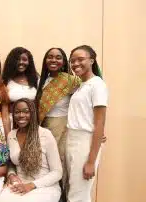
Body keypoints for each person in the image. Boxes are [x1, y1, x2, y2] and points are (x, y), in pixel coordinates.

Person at [0, 98, 62, 202]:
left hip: (44, 186)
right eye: (17, 112)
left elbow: (57, 172)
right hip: (19, 184)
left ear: (33, 113)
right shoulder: (11, 135)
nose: (21, 115)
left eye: (26, 111)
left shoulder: (45, 134)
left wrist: (31, 185)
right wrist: (11, 174)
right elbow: (11, 163)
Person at [35, 48, 80, 195]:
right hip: (43, 127)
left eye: (58, 57)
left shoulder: (70, 80)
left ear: (64, 61)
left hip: (62, 127)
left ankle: (63, 195)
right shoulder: (40, 80)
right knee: (44, 163)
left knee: (60, 162)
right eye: (50, 57)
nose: (53, 60)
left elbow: (84, 105)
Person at [66, 45, 108, 202]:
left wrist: (91, 161)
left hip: (84, 143)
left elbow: (99, 124)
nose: (76, 63)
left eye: (80, 59)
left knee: (78, 196)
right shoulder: (81, 85)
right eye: (72, 61)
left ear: (92, 60)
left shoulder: (97, 85)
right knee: (74, 191)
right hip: (73, 140)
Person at [2, 47, 39, 113]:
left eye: (24, 59)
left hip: (33, 120)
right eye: (17, 59)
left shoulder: (36, 79)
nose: (21, 62)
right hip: (12, 119)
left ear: (29, 62)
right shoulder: (5, 80)